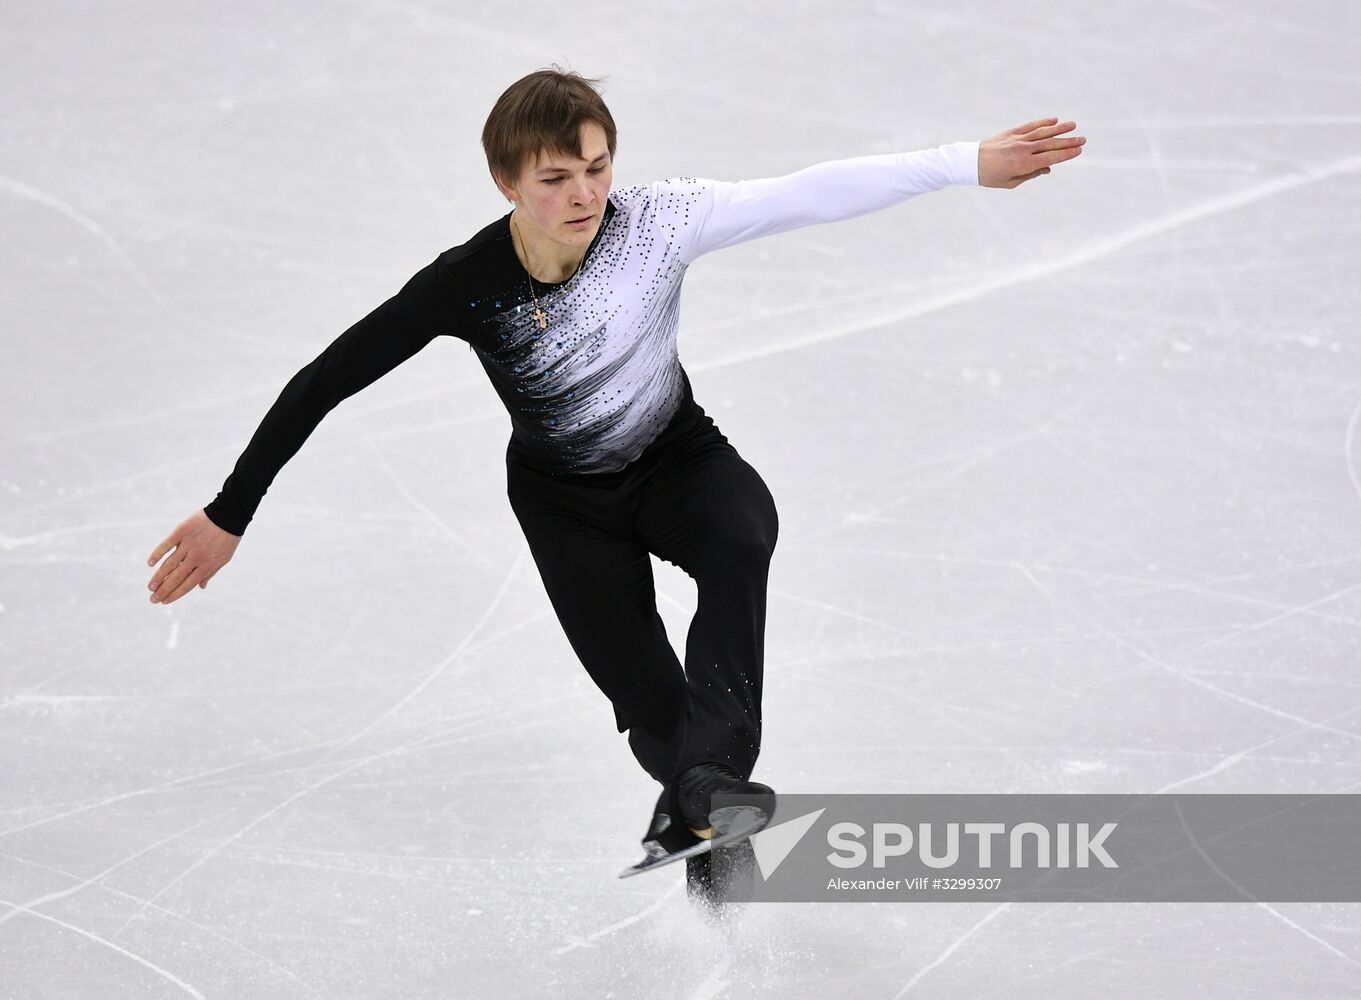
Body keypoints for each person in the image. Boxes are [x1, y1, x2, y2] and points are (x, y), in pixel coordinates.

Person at [145, 67, 1085, 885]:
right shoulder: (466, 282)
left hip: (678, 459)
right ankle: (706, 813)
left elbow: (810, 192)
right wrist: (231, 512)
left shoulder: (658, 222)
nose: (585, 194)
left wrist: (963, 162)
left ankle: (708, 789)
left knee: (742, 531)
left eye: (597, 168)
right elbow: (327, 378)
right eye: (556, 178)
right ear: (508, 182)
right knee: (650, 707)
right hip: (565, 507)